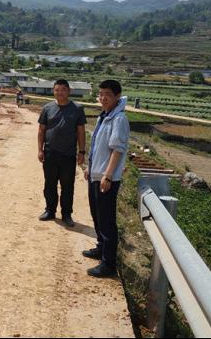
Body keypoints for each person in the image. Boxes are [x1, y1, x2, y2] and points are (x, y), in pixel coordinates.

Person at [83, 80, 130, 278]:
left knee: (107, 220)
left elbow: (117, 150)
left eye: (107, 95)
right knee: (97, 215)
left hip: (106, 178)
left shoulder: (119, 119)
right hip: (96, 174)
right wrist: (90, 166)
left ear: (117, 96)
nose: (103, 98)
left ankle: (108, 264)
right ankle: (101, 247)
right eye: (101, 94)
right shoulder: (105, 116)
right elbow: (97, 146)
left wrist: (108, 176)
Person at [37, 79, 86, 226]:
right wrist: (40, 150)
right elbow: (41, 130)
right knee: (50, 184)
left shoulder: (77, 109)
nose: (60, 92)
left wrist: (81, 152)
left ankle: (66, 214)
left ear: (69, 91)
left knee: (67, 186)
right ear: (53, 91)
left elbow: (81, 131)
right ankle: (50, 210)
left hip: (68, 154)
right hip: (50, 153)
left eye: (63, 89)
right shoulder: (47, 108)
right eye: (57, 90)